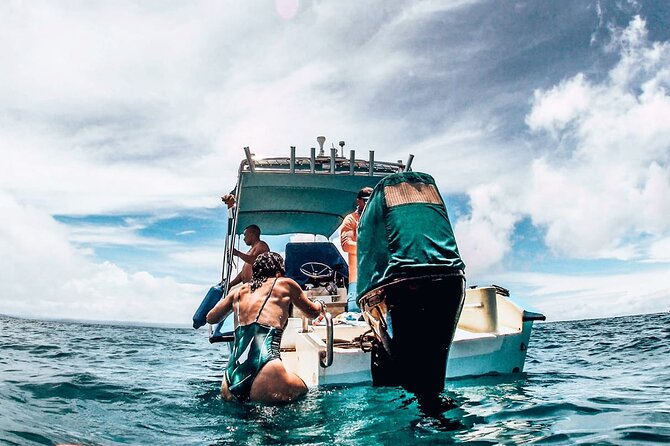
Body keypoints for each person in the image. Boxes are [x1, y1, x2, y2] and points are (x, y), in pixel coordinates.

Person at [206, 252, 325, 403]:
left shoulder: (238, 292)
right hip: (267, 372)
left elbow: (211, 318)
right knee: (304, 392)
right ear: (278, 272)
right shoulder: (285, 284)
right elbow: (312, 313)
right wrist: (320, 304)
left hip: (230, 378)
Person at [222, 194, 270, 288]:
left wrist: (237, 253)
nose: (244, 238)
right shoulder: (251, 250)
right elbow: (243, 273)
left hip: (258, 288)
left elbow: (256, 262)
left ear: (252, 234)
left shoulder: (261, 245)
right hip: (248, 288)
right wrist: (230, 285)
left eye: (245, 235)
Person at [339, 186, 373, 312]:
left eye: (372, 201)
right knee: (355, 316)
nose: (369, 204)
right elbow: (346, 244)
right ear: (358, 201)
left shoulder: (379, 220)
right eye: (366, 200)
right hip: (357, 281)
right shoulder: (351, 219)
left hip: (378, 278)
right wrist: (370, 248)